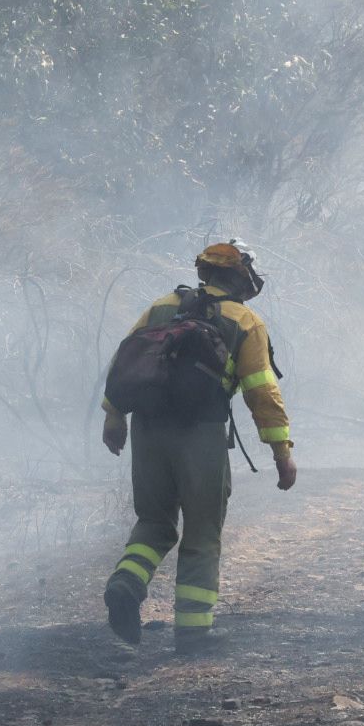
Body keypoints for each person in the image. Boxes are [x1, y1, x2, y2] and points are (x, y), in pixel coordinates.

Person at [100, 240, 297, 654]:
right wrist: (281, 452)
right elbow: (262, 392)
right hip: (201, 435)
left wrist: (113, 416)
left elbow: (124, 363)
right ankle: (193, 633)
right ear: (243, 279)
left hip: (148, 430)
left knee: (154, 522)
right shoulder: (245, 321)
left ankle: (126, 583)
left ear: (206, 271)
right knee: (202, 534)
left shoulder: (162, 307)